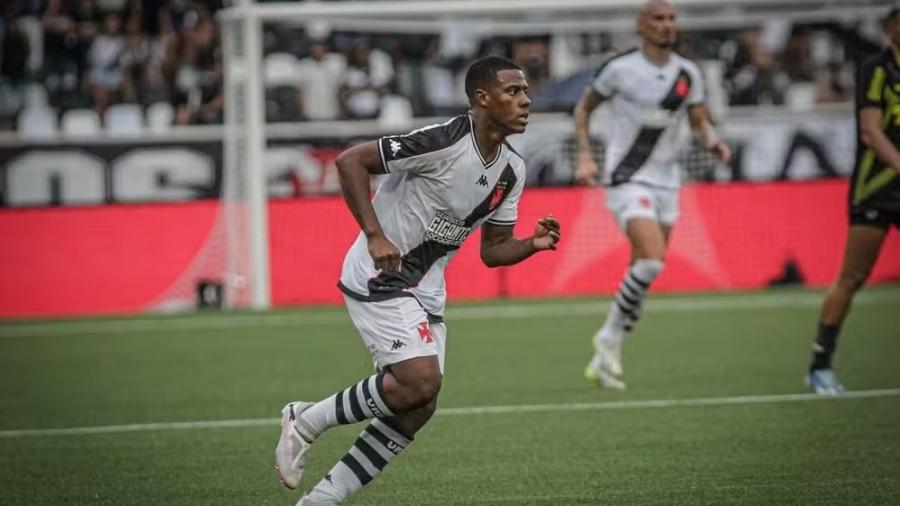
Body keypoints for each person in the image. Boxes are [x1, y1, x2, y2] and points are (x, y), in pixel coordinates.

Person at [274, 55, 561, 505]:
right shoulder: (443, 141)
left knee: (418, 407)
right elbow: (351, 162)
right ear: (483, 99)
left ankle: (322, 500)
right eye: (514, 91)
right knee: (419, 381)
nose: (526, 101)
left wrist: (532, 244)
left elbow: (493, 250)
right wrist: (375, 236)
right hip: (381, 275)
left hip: (426, 288)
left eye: (525, 91)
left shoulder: (512, 170)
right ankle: (306, 420)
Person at [572, 0, 731, 390]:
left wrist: (712, 141)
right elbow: (584, 109)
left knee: (641, 274)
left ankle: (604, 359)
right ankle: (607, 338)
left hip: (668, 181)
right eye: (658, 19)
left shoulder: (687, 73)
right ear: (641, 26)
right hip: (627, 176)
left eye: (671, 18)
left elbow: (698, 120)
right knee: (652, 261)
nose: (667, 25)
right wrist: (585, 155)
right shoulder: (620, 69)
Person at [805, 6, 900, 395]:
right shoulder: (877, 69)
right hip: (876, 187)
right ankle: (820, 365)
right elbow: (870, 131)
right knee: (853, 277)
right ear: (890, 29)